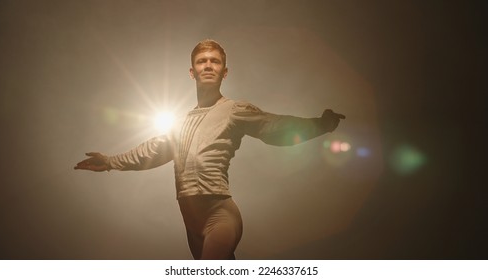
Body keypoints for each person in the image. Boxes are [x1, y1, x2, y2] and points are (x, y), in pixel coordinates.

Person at [74, 39, 345, 260]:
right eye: (202, 61)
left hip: (220, 216)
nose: (208, 66)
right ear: (192, 71)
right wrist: (109, 161)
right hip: (191, 225)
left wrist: (320, 125)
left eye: (215, 61)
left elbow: (275, 127)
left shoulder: (235, 110)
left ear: (224, 72)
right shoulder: (179, 123)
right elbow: (151, 151)